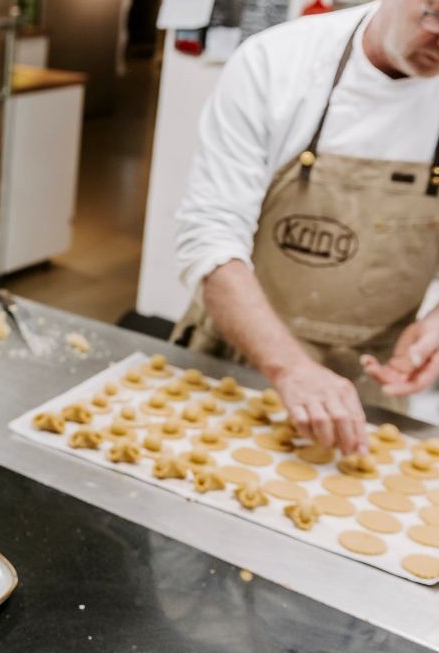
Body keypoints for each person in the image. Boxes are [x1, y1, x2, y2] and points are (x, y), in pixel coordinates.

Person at [173, 0, 439, 455]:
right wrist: (290, 367)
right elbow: (210, 236)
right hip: (239, 362)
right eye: (434, 15)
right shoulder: (277, 63)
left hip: (366, 383)